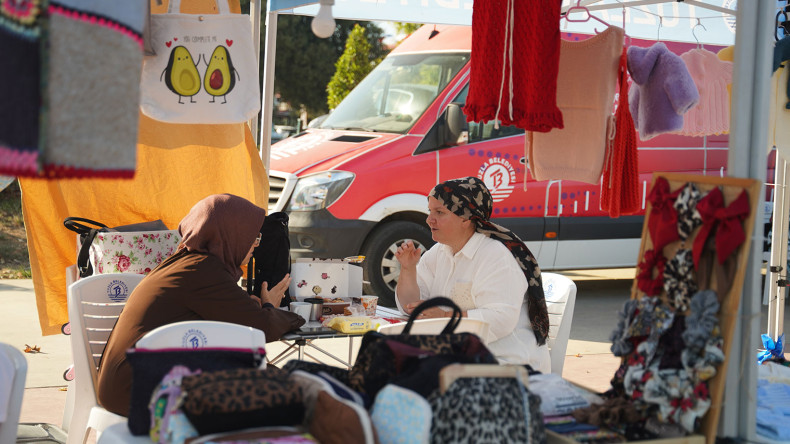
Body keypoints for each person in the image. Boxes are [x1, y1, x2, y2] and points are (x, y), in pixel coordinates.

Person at [97, 194, 304, 417]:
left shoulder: (189, 261)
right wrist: (274, 308)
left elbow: (232, 316)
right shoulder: (204, 271)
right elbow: (261, 328)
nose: (256, 243)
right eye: (252, 236)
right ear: (230, 235)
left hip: (134, 381)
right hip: (138, 390)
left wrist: (255, 308)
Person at [395, 177, 551, 373]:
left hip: (508, 363)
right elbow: (412, 307)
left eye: (439, 212)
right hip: (461, 358)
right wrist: (408, 270)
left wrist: (445, 317)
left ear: (466, 219)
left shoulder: (496, 255)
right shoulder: (440, 252)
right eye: (430, 211)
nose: (429, 219)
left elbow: (500, 319)